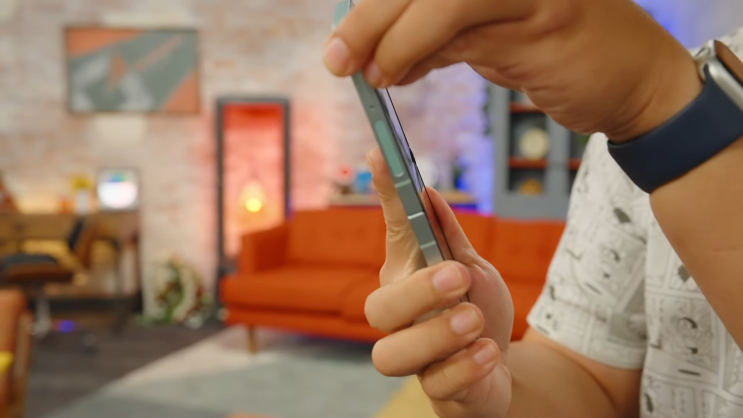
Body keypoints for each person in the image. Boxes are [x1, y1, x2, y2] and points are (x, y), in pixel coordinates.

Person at [323, 0, 743, 417]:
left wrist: (655, 98)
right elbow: (590, 375)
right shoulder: (628, 120)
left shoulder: (648, 93)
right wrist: (494, 385)